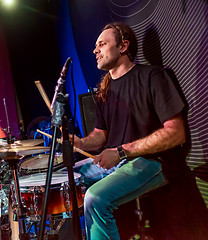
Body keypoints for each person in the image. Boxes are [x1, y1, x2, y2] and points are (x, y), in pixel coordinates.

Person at [72, 22, 186, 239]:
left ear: (123, 46)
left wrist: (121, 152)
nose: (95, 50)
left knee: (95, 198)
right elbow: (101, 135)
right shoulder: (103, 92)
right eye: (96, 46)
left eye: (102, 44)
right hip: (118, 161)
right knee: (65, 179)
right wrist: (79, 143)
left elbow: (176, 132)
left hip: (153, 161)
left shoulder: (153, 76)